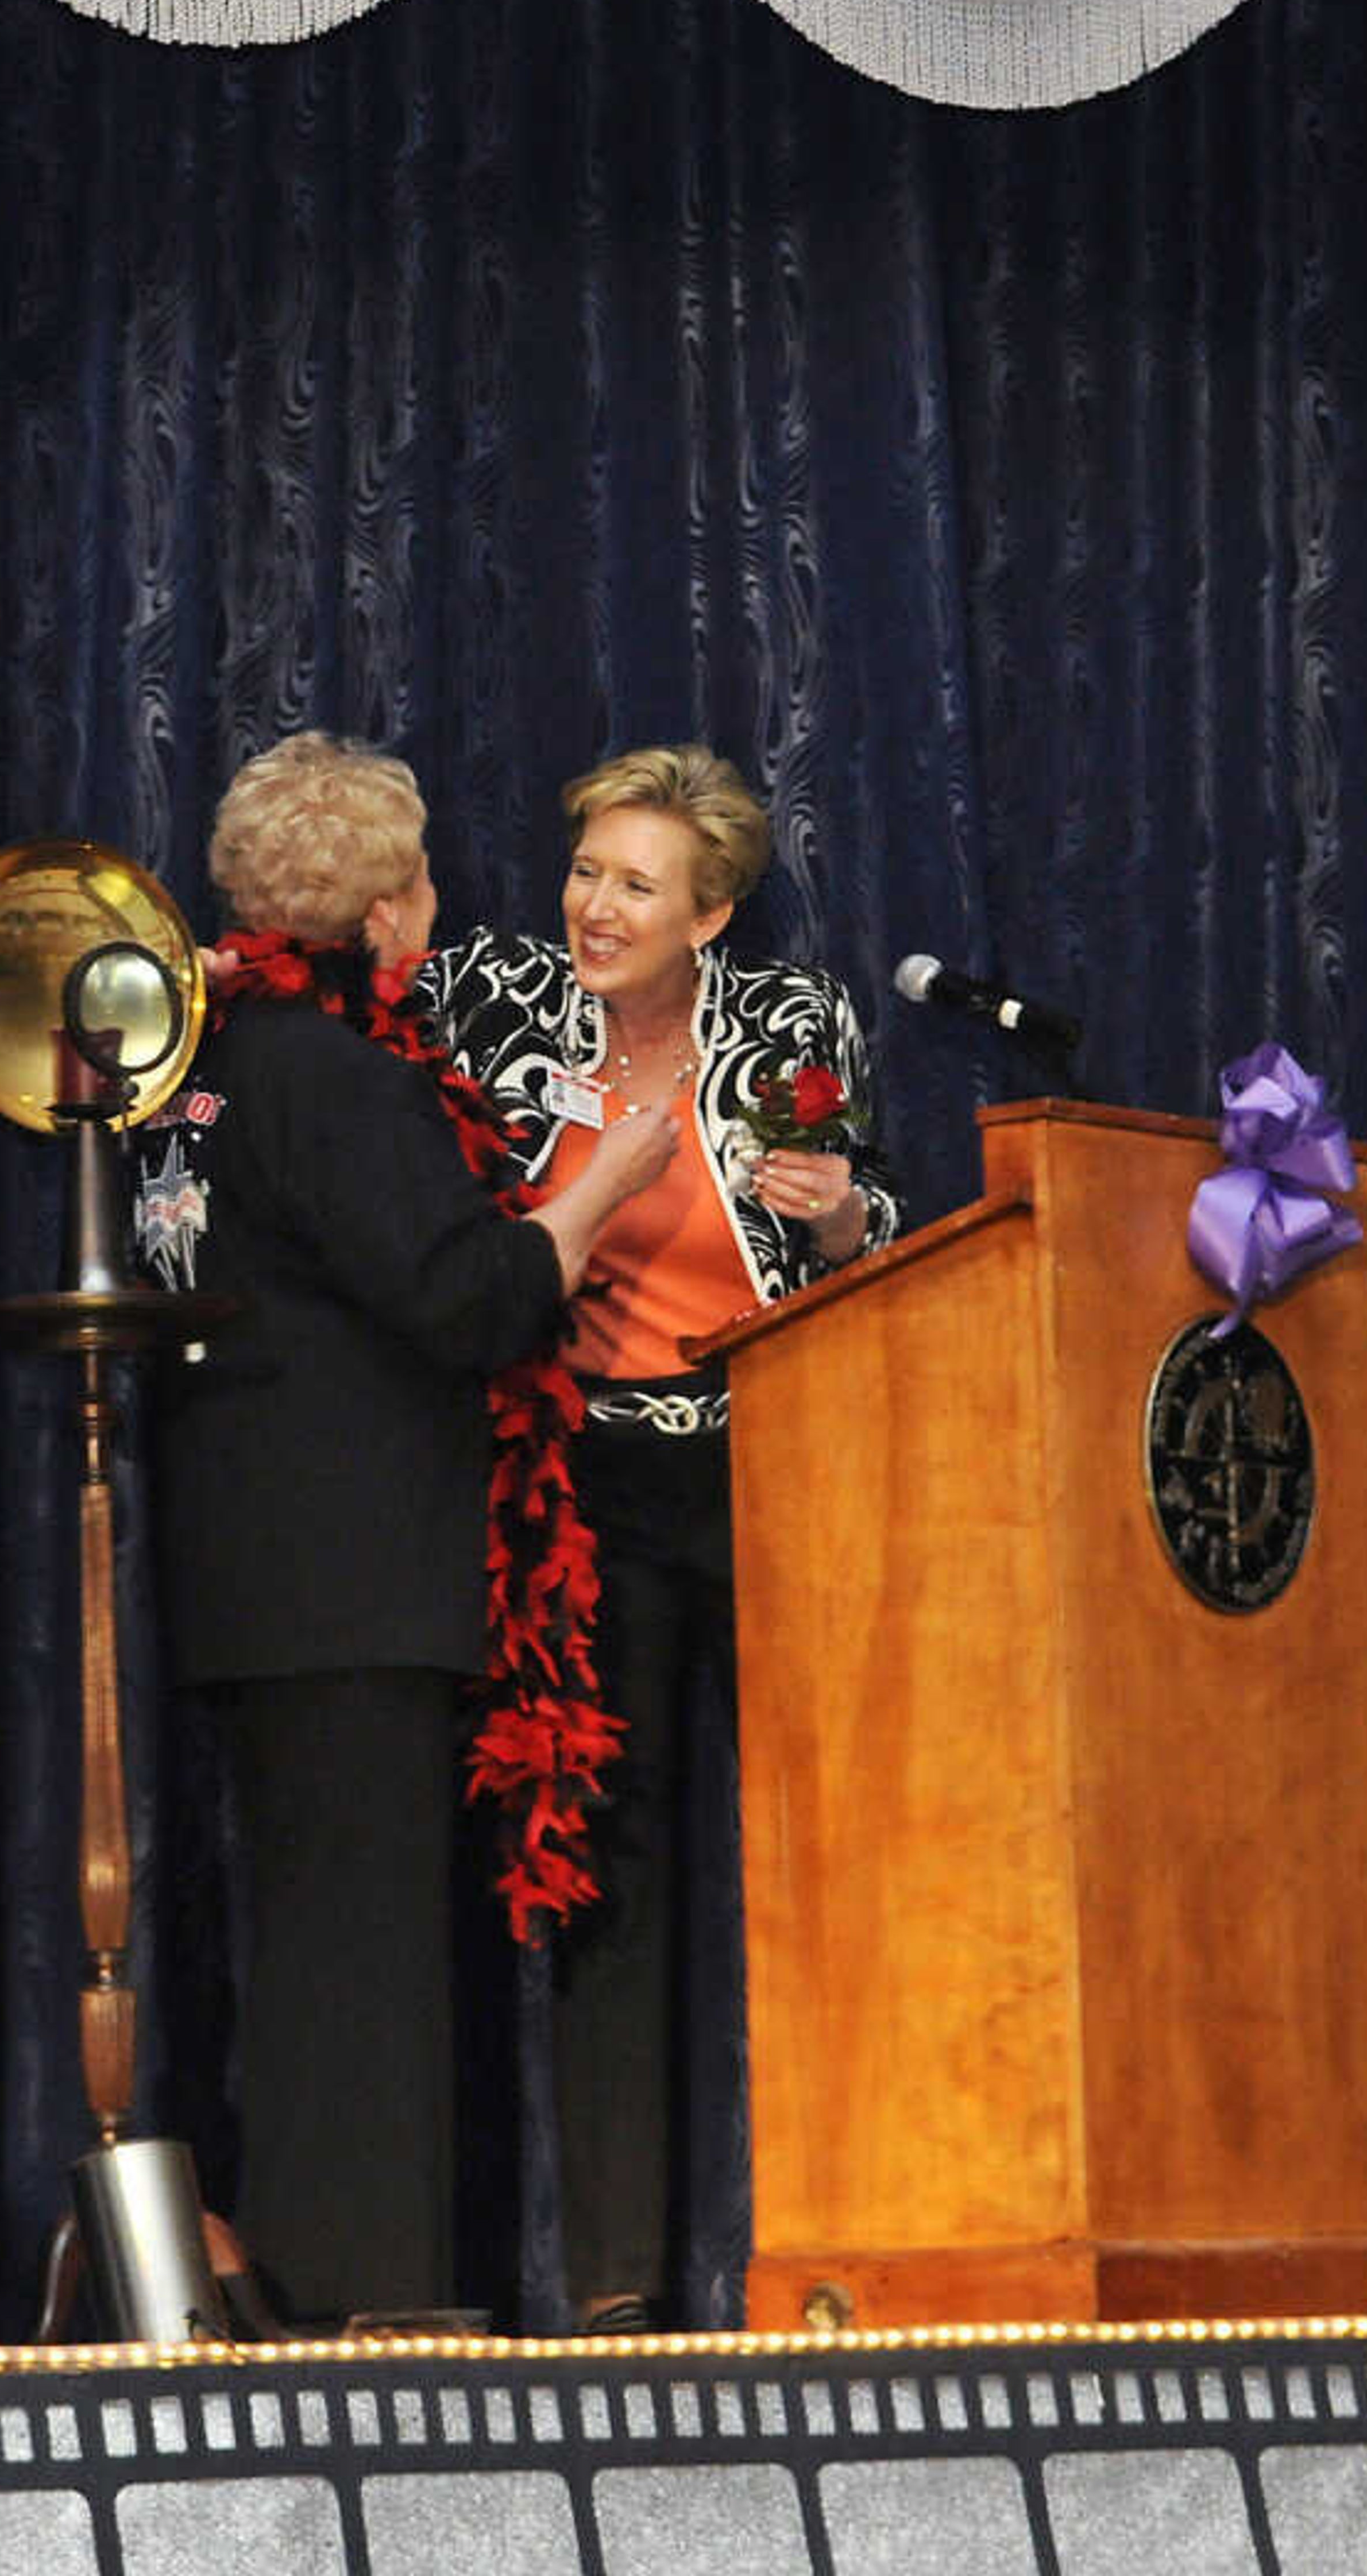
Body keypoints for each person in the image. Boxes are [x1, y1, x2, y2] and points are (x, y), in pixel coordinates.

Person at [135, 731, 676, 2330]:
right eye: (424, 875)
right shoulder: (332, 1075)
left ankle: (319, 2289)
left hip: (254, 1577)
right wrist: (601, 1187)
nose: (438, 902)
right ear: (380, 908)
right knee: (363, 1968)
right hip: (352, 1582)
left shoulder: (203, 1061)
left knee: (314, 1958)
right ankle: (367, 2311)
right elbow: (475, 1299)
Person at [414, 740, 899, 2332]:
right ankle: (620, 2292)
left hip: (771, 1464)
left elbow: (872, 1226)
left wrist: (841, 1222)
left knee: (827, 1867)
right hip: (585, 1490)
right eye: (585, 872)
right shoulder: (499, 1008)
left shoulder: (790, 1025)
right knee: (608, 1885)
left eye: (634, 883)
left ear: (713, 913)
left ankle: (851, 2257)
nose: (594, 906)